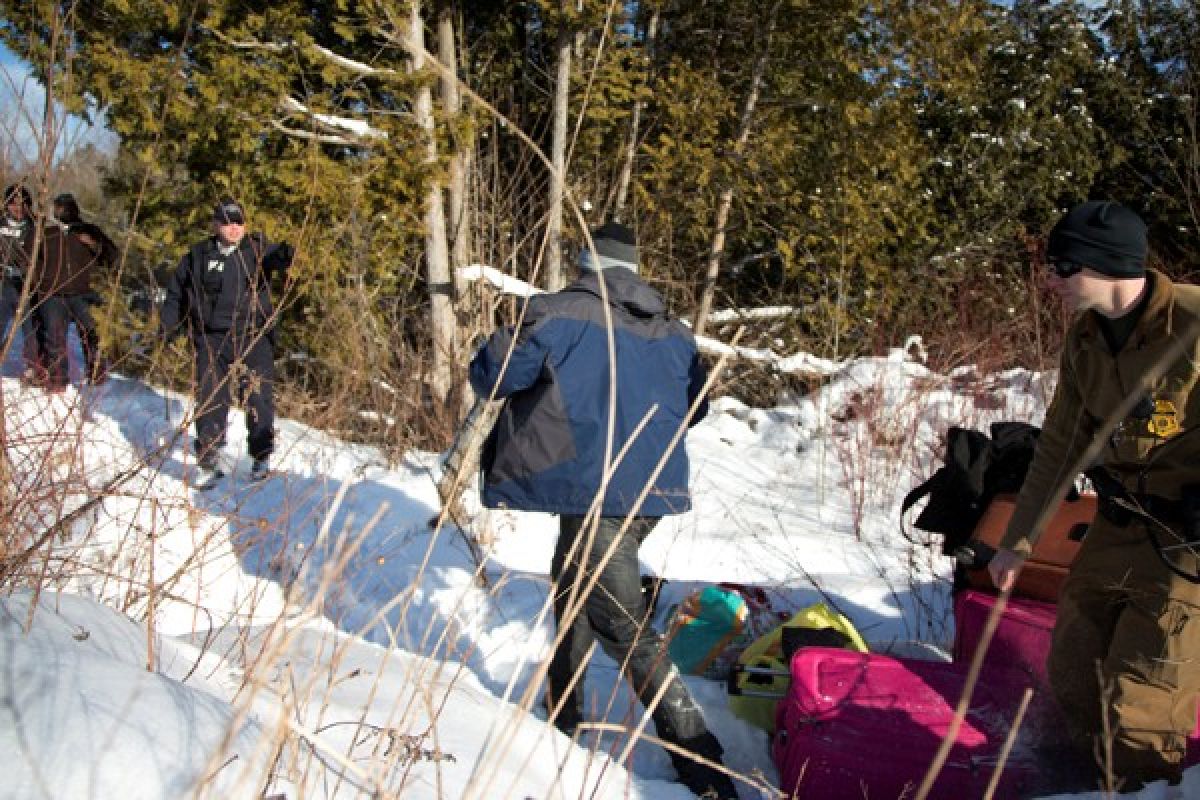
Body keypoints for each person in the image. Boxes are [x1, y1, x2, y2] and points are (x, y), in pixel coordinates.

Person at [469, 222, 737, 799]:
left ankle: (705, 763)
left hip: (598, 496)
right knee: (573, 589)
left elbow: (494, 378)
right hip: (650, 494)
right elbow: (696, 407)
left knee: (618, 621)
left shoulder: (558, 312)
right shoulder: (672, 331)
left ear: (585, 265)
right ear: (633, 269)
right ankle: (564, 717)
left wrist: (497, 340)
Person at [988, 201, 1200, 792]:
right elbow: (1058, 446)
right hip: (1120, 525)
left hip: (1189, 545)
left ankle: (1146, 786)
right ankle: (1097, 785)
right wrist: (1018, 542)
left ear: (1106, 266)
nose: (1049, 279)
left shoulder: (1194, 321)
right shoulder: (1084, 338)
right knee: (1074, 672)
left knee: (1143, 699)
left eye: (1062, 265)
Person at [159, 197, 293, 483]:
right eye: (227, 222)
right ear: (216, 224)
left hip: (253, 337)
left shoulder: (256, 251)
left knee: (257, 397)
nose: (234, 229)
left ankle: (260, 457)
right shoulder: (198, 255)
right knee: (210, 397)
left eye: (239, 223)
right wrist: (168, 325)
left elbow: (278, 259)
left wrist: (285, 255)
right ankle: (208, 461)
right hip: (211, 338)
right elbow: (175, 293)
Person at [31, 193, 118, 390]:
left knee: (92, 336)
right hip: (52, 293)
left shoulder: (90, 231)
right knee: (54, 338)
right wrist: (40, 282)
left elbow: (112, 256)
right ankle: (58, 383)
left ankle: (97, 377)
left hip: (84, 292)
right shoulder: (48, 233)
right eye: (58, 208)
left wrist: (94, 244)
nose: (61, 211)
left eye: (65, 208)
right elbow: (30, 259)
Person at [0, 183, 40, 378]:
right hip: (4, 282)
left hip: (26, 284)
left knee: (29, 326)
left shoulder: (35, 226)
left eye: (22, 204)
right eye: (13, 204)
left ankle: (31, 367)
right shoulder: (0, 223)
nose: (17, 208)